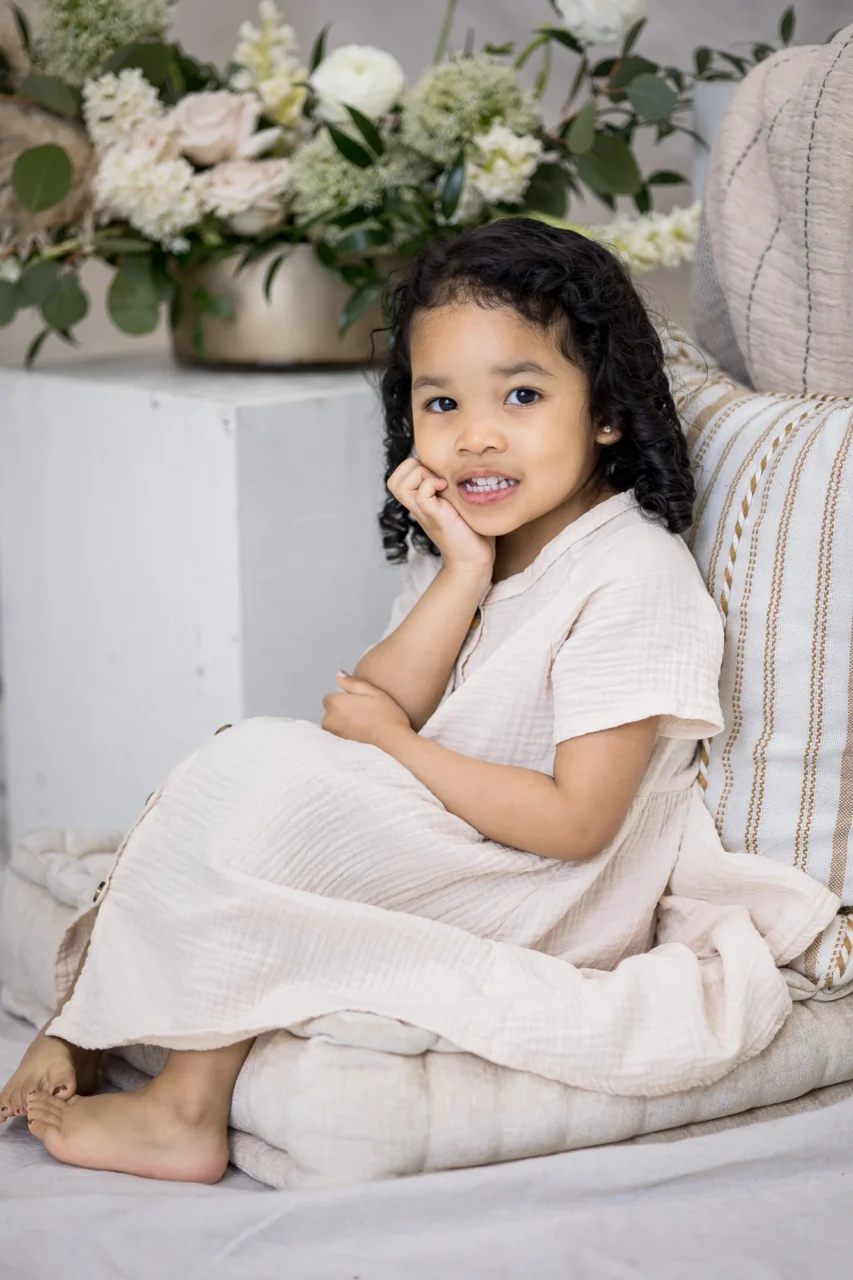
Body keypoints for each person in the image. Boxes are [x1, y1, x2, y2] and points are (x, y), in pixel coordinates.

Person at [0, 218, 835, 1183]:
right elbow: (367, 709)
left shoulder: (631, 577)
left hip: (544, 892)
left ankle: (186, 1105)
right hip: (457, 840)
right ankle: (90, 1024)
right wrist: (461, 574)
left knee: (260, 787)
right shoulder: (474, 554)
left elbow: (574, 821)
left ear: (605, 410)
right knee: (240, 774)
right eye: (441, 402)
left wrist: (396, 747)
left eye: (520, 395)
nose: (475, 435)